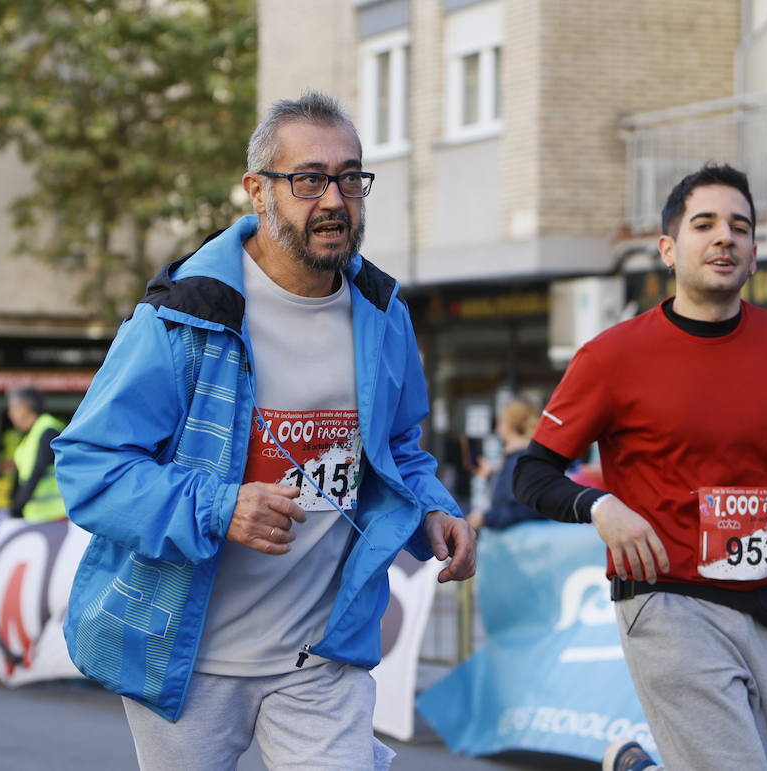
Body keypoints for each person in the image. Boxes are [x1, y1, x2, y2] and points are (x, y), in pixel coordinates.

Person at [52, 92, 476, 770]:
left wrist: (433, 507)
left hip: (319, 653)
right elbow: (89, 468)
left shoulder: (382, 311)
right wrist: (222, 506)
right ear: (258, 190)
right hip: (187, 658)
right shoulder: (185, 317)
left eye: (349, 178)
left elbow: (397, 446)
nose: (334, 199)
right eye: (308, 179)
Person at [513, 164, 767, 771]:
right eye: (705, 225)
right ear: (669, 250)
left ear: (755, 255)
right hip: (666, 597)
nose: (725, 237)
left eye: (740, 227)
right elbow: (532, 475)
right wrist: (600, 507)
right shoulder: (612, 356)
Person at [470, 399, 545, 531]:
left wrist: (485, 518)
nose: (498, 427)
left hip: (520, 544)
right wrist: (490, 476)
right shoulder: (523, 457)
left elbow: (524, 510)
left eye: (500, 421)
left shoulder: (519, 460)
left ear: (508, 425)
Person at [5, 386, 66, 522]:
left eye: (12, 409)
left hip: (56, 518)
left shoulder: (48, 431)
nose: (10, 414)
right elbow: (21, 478)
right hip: (37, 518)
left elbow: (37, 471)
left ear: (24, 408)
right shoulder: (29, 436)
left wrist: (16, 509)